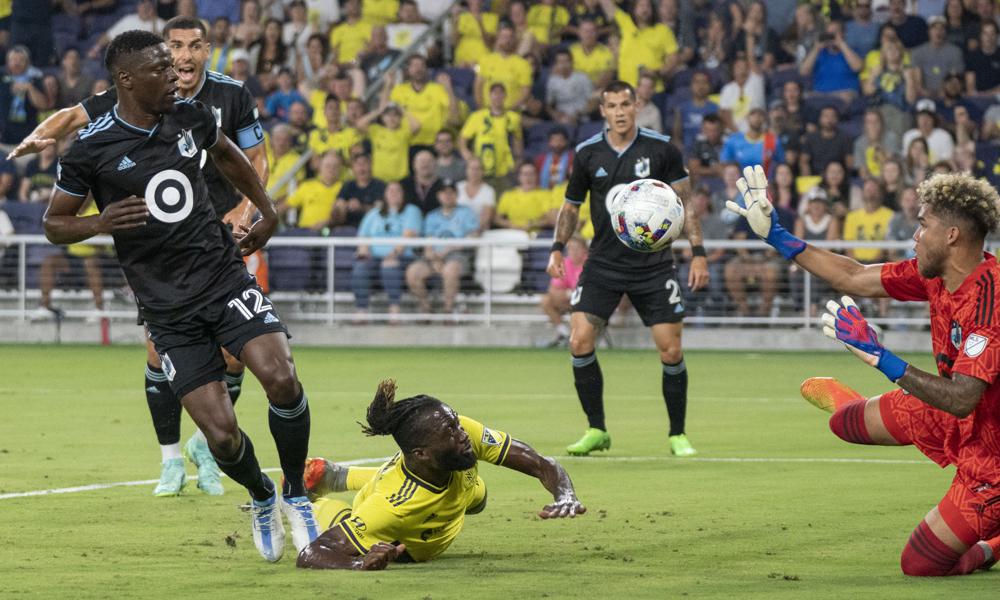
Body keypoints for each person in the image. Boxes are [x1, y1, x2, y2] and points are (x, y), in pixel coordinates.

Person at [45, 30, 317, 562]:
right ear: (127, 80)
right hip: (167, 309)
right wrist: (100, 221)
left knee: (282, 378)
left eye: (175, 68)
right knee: (221, 437)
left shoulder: (190, 114)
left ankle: (297, 495)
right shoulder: (91, 149)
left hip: (224, 277)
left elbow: (230, 155)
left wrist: (267, 210)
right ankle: (261, 495)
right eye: (162, 71)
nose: (176, 76)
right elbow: (54, 223)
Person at [10, 17, 273, 499]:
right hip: (162, 253)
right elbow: (72, 116)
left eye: (193, 46)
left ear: (207, 50)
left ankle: (207, 445)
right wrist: (40, 134)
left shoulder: (230, 95)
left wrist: (247, 208)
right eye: (174, 48)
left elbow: (253, 158)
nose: (182, 58)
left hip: (221, 238)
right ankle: (171, 458)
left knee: (238, 356)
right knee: (161, 351)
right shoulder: (137, 95)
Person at [728, 165, 1000, 576]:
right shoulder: (938, 276)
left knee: (920, 564)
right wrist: (775, 236)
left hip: (992, 455)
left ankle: (993, 544)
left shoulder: (990, 302)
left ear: (951, 236)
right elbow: (852, 276)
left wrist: (880, 358)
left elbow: (963, 399)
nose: (914, 236)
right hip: (957, 413)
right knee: (845, 423)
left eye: (922, 225)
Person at [546, 80, 709, 458]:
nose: (619, 111)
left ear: (637, 106)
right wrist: (557, 247)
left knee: (670, 350)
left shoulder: (662, 148)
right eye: (611, 105)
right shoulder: (587, 153)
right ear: (602, 110)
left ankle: (677, 435)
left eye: (625, 104)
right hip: (602, 263)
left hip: (653, 265)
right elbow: (571, 207)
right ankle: (596, 429)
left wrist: (698, 251)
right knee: (579, 340)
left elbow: (685, 202)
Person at [296, 379, 585, 570]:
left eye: (457, 424)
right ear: (421, 452)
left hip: (458, 490)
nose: (463, 435)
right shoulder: (390, 507)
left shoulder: (463, 436)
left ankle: (337, 476)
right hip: (411, 538)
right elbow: (311, 552)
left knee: (478, 497)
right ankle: (301, 501)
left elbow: (540, 463)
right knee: (340, 518)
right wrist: (358, 565)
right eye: (451, 432)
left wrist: (564, 493)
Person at [353, 182, 423, 320]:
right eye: (390, 190)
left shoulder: (411, 210)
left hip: (402, 257)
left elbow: (408, 235)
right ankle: (361, 309)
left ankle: (394, 308)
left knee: (389, 264)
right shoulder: (374, 213)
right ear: (384, 194)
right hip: (374, 256)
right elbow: (363, 236)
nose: (393, 193)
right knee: (361, 266)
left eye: (397, 190)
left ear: (404, 194)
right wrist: (364, 252)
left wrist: (393, 254)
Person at [406, 183, 479, 315]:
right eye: (444, 193)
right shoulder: (431, 216)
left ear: (456, 195)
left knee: (450, 270)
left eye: (451, 192)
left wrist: (449, 249)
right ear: (438, 196)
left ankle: (448, 310)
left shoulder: (466, 212)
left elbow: (473, 236)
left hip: (458, 255)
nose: (447, 196)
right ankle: (426, 309)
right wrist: (433, 258)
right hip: (434, 255)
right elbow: (428, 242)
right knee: (413, 272)